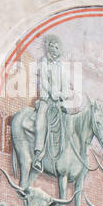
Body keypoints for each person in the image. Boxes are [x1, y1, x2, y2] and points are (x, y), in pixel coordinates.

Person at [32, 35, 71, 171]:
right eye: (52, 46)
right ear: (47, 48)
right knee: (40, 123)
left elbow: (66, 88)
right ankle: (38, 156)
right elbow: (43, 81)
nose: (54, 49)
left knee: (70, 126)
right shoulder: (44, 62)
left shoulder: (63, 69)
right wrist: (52, 93)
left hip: (58, 104)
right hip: (46, 101)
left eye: (56, 47)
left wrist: (61, 95)